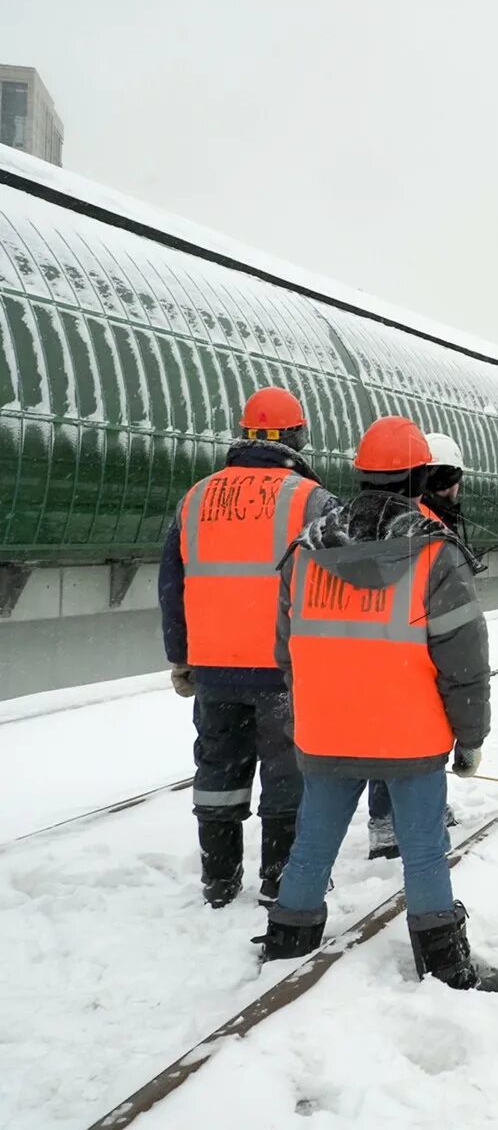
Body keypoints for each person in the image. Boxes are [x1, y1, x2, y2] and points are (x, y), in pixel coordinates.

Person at [254, 416, 498, 992]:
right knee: (423, 852)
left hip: (326, 734)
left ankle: (286, 942)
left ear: (361, 473)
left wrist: (307, 718)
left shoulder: (305, 551)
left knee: (312, 845)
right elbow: (464, 664)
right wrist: (470, 739)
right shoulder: (435, 555)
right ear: (421, 477)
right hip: (409, 736)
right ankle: (445, 965)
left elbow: (286, 652)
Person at [159, 386, 339, 908]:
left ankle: (219, 880)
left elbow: (172, 584)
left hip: (215, 668)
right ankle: (280, 882)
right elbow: (341, 585)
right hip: (285, 669)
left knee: (218, 770)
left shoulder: (195, 498)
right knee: (288, 777)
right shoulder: (312, 500)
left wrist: (181, 655)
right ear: (296, 437)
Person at [368, 430, 467, 859]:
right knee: (413, 733)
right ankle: (393, 823)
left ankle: (399, 818)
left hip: (394, 642)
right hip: (413, 645)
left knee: (395, 732)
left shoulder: (409, 515)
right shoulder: (428, 525)